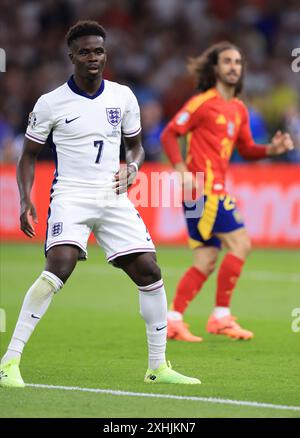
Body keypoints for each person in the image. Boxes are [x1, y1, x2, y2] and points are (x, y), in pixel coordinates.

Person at [0, 20, 200, 387]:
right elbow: (28, 155)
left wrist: (134, 167)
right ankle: (9, 362)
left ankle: (157, 367)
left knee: (149, 271)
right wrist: (25, 197)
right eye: (86, 52)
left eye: (99, 51)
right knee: (59, 266)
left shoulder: (123, 96)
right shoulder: (50, 103)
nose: (94, 57)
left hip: (113, 195)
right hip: (71, 195)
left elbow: (135, 144)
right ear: (72, 56)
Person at [161, 42, 294, 342]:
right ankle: (221, 316)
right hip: (202, 190)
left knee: (206, 260)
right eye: (227, 62)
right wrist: (181, 169)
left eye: (238, 62)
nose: (234, 66)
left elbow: (246, 149)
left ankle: (173, 320)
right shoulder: (202, 103)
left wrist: (271, 149)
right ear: (215, 68)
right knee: (241, 243)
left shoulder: (238, 109)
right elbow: (170, 133)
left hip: (210, 192)